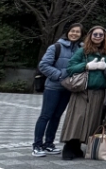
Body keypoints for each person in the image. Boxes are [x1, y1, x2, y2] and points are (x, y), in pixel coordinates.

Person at [60, 25, 106, 160]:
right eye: (95, 34)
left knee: (91, 120)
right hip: (82, 90)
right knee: (77, 119)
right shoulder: (83, 51)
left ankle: (78, 147)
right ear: (90, 35)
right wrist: (87, 66)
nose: (98, 37)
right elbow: (70, 68)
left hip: (99, 91)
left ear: (105, 37)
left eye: (101, 35)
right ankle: (69, 147)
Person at [33, 23, 84, 158]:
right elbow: (43, 65)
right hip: (53, 87)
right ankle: (37, 145)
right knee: (45, 115)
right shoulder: (56, 47)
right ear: (67, 32)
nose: (75, 34)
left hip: (68, 89)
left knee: (56, 117)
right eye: (72, 31)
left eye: (78, 32)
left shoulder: (81, 48)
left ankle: (49, 144)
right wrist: (60, 75)